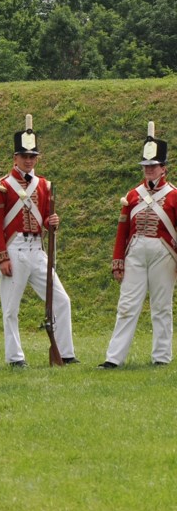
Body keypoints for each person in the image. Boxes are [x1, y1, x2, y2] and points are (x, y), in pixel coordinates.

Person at [0, 114, 77, 367]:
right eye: (24, 156)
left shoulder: (44, 186)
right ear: (15, 158)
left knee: (61, 300)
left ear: (37, 158)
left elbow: (45, 219)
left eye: (32, 157)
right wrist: (2, 256)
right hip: (14, 249)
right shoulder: (2, 186)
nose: (28, 161)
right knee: (10, 308)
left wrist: (52, 223)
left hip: (37, 248)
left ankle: (66, 353)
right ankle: (15, 357)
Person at [100, 122, 177, 368]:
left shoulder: (174, 195)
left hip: (164, 254)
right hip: (135, 252)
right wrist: (118, 260)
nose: (149, 170)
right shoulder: (133, 195)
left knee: (161, 307)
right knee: (127, 305)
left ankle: (161, 357)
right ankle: (114, 358)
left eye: (153, 166)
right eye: (146, 166)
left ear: (163, 168)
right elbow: (122, 230)